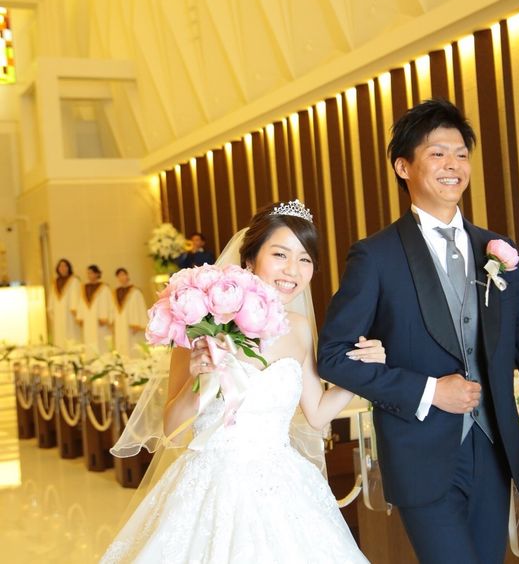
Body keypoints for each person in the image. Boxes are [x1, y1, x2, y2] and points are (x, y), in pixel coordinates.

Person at [317, 99, 519, 564]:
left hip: (493, 451)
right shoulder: (376, 257)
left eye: (461, 154)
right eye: (437, 154)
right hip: (420, 455)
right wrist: (429, 391)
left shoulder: (498, 250)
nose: (453, 165)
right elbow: (333, 356)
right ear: (403, 167)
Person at [101, 200, 383, 563]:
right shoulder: (202, 322)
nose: (293, 270)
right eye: (280, 254)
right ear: (249, 259)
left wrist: (361, 370)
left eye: (305, 259)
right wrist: (196, 378)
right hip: (211, 485)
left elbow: (316, 414)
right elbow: (172, 429)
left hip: (284, 487)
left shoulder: (299, 329)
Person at [76, 264, 114, 355]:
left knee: (101, 343)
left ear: (97, 274)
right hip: (88, 320)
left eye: (92, 273)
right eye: (88, 273)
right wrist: (80, 317)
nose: (89, 275)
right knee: (89, 342)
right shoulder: (84, 288)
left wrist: (105, 317)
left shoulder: (104, 288)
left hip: (100, 322)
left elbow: (109, 303)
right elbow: (81, 303)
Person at [112, 268, 148, 356]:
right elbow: (113, 309)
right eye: (119, 276)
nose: (121, 278)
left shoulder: (135, 291)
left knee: (134, 347)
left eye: (123, 275)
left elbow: (140, 308)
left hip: (133, 325)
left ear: (127, 275)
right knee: (122, 346)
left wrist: (138, 324)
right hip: (120, 324)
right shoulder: (115, 292)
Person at [47, 258, 81, 347]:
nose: (62, 268)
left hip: (70, 315)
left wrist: (75, 312)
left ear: (68, 268)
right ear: (58, 268)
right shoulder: (54, 282)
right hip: (58, 315)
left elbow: (76, 297)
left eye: (65, 266)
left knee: (71, 339)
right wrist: (51, 310)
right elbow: (51, 299)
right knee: (59, 339)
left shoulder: (74, 280)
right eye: (60, 266)